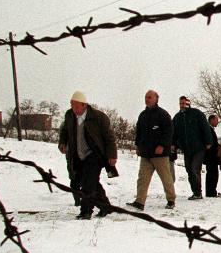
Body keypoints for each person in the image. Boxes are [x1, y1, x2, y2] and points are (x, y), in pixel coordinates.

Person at [58, 91, 117, 220]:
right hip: (77, 155)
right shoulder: (69, 115)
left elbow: (109, 137)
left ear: (84, 105)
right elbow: (65, 131)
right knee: (90, 182)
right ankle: (105, 206)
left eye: (76, 106)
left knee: (88, 184)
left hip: (94, 154)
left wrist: (112, 155)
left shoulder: (99, 117)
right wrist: (63, 142)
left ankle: (86, 211)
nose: (73, 109)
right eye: (72, 106)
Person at [126, 90, 176, 211]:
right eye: (146, 97)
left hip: (160, 155)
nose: (147, 99)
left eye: (149, 97)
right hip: (146, 154)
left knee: (166, 178)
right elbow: (139, 132)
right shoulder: (142, 115)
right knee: (142, 179)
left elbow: (169, 132)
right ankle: (140, 202)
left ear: (156, 99)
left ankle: (171, 200)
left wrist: (162, 145)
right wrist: (138, 145)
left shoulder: (163, 114)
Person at [172, 96, 213, 200]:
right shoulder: (177, 118)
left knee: (195, 169)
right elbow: (174, 133)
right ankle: (195, 191)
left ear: (188, 103)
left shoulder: (197, 114)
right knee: (189, 170)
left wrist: (208, 142)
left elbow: (205, 128)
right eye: (180, 103)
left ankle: (198, 192)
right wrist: (174, 144)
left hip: (198, 147)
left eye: (183, 103)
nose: (181, 105)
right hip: (186, 149)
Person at [204, 114, 220, 197]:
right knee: (212, 174)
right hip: (211, 156)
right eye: (216, 120)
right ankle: (211, 192)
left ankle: (211, 191)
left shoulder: (210, 129)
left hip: (211, 156)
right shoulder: (208, 129)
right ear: (212, 120)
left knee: (212, 174)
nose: (218, 122)